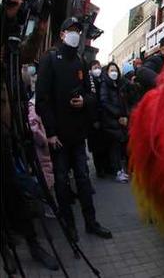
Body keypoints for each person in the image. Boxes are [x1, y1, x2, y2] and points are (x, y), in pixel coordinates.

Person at [1, 0, 58, 272]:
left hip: (10, 128)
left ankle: (34, 243)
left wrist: (37, 23)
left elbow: (23, 55)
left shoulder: (9, 27)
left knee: (17, 194)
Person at [35, 17, 112, 242]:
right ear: (61, 34)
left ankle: (91, 222)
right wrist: (50, 132)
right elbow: (42, 100)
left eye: (78, 31)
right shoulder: (49, 59)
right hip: (58, 136)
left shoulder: (80, 62)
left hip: (78, 135)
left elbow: (91, 94)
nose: (75, 34)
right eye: (71, 30)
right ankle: (69, 226)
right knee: (61, 180)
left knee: (83, 179)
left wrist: (84, 102)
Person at [100, 63, 129, 183]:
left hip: (118, 121)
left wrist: (124, 115)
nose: (114, 73)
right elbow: (104, 102)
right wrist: (118, 116)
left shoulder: (118, 85)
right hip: (110, 121)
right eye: (112, 70)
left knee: (117, 147)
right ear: (107, 72)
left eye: (116, 70)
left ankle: (119, 170)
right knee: (114, 148)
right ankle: (117, 171)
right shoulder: (105, 85)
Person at [86, 60, 110, 178]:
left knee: (104, 144)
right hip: (93, 119)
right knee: (96, 147)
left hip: (104, 117)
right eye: (95, 67)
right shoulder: (89, 82)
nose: (97, 70)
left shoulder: (103, 80)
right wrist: (93, 119)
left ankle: (105, 167)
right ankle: (99, 169)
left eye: (98, 67)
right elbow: (90, 102)